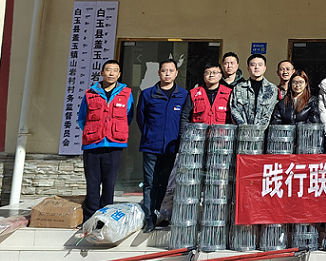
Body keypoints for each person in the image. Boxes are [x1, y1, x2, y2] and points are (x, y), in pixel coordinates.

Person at [135, 58, 187, 232]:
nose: (167, 74)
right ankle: (149, 217)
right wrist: (150, 134)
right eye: (164, 70)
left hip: (171, 147)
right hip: (151, 145)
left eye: (171, 71)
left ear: (176, 73)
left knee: (164, 183)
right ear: (159, 73)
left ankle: (158, 213)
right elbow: (141, 118)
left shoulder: (183, 95)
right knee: (149, 182)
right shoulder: (147, 94)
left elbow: (184, 119)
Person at [78, 60, 134, 219]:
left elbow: (128, 117)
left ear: (119, 74)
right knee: (92, 183)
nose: (111, 73)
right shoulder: (90, 93)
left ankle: (105, 217)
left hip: (114, 145)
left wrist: (114, 130)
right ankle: (90, 217)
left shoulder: (126, 93)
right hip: (93, 144)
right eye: (108, 70)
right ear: (102, 73)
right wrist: (94, 132)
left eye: (115, 70)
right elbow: (82, 118)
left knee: (109, 183)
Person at [230, 53, 278, 126]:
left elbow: (270, 112)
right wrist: (244, 127)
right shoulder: (239, 88)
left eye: (260, 65)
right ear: (248, 68)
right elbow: (234, 109)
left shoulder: (272, 89)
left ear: (264, 68)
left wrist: (258, 129)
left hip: (264, 131)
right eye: (253, 65)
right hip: (242, 130)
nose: (256, 67)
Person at [181, 62, 231, 128]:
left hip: (221, 133)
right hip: (198, 133)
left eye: (215, 72)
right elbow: (185, 117)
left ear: (221, 75)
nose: (211, 75)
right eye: (207, 72)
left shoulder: (229, 93)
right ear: (203, 75)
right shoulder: (194, 94)